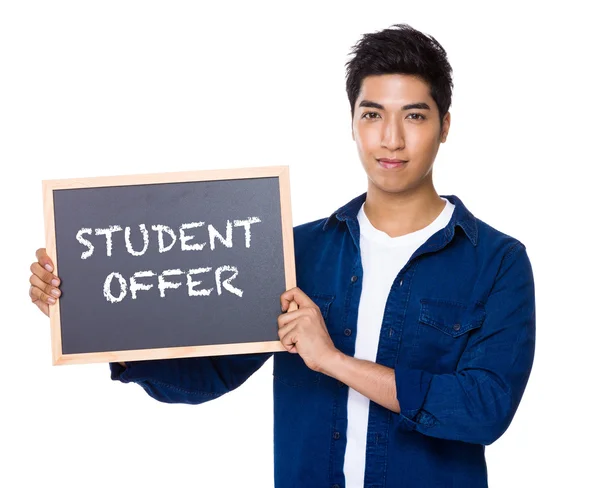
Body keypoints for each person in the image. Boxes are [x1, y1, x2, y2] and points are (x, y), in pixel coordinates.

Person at [29, 23, 536, 488]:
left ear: (445, 125)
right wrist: (91, 316)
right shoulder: (296, 251)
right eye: (373, 115)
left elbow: (482, 410)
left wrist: (332, 361)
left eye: (415, 116)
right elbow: (209, 373)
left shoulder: (497, 262)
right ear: (353, 122)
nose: (391, 139)